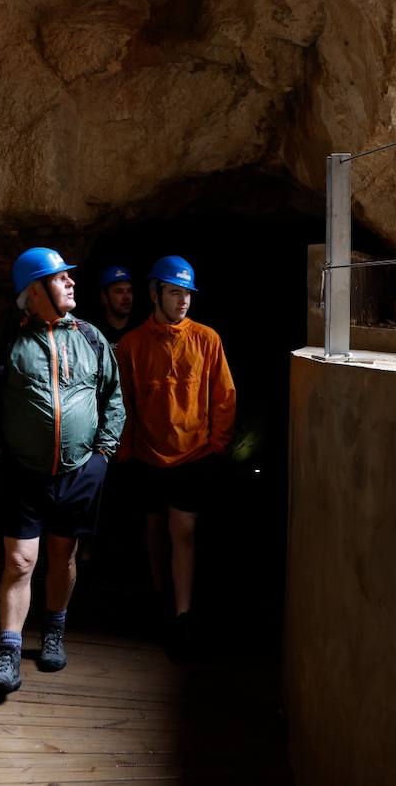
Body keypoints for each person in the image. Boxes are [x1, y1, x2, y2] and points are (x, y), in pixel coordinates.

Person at [0, 247, 125, 695]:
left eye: (70, 277)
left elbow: (113, 396)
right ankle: (9, 652)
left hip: (79, 472)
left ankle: (53, 629)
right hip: (22, 471)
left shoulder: (91, 338)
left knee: (64, 557)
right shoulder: (5, 343)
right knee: (20, 561)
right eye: (60, 278)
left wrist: (103, 454)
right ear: (35, 290)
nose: (72, 283)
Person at [115, 255, 236, 657]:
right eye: (174, 292)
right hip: (147, 456)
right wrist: (126, 449)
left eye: (186, 293)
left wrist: (216, 445)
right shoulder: (132, 345)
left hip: (192, 456)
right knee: (153, 529)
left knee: (182, 531)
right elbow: (124, 400)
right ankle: (159, 595)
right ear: (155, 293)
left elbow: (223, 396)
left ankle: (182, 615)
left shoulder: (206, 339)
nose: (183, 300)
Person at [96, 265, 135, 347]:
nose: (127, 297)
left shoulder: (140, 330)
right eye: (119, 291)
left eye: (129, 291)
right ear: (104, 297)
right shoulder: (95, 333)